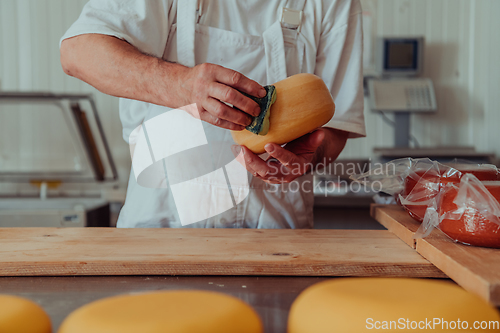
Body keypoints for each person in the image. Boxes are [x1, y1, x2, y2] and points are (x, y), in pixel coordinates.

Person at [60, 0, 366, 229]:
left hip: (277, 242)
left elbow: (336, 126)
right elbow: (78, 53)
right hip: (160, 233)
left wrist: (309, 157)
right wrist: (180, 84)